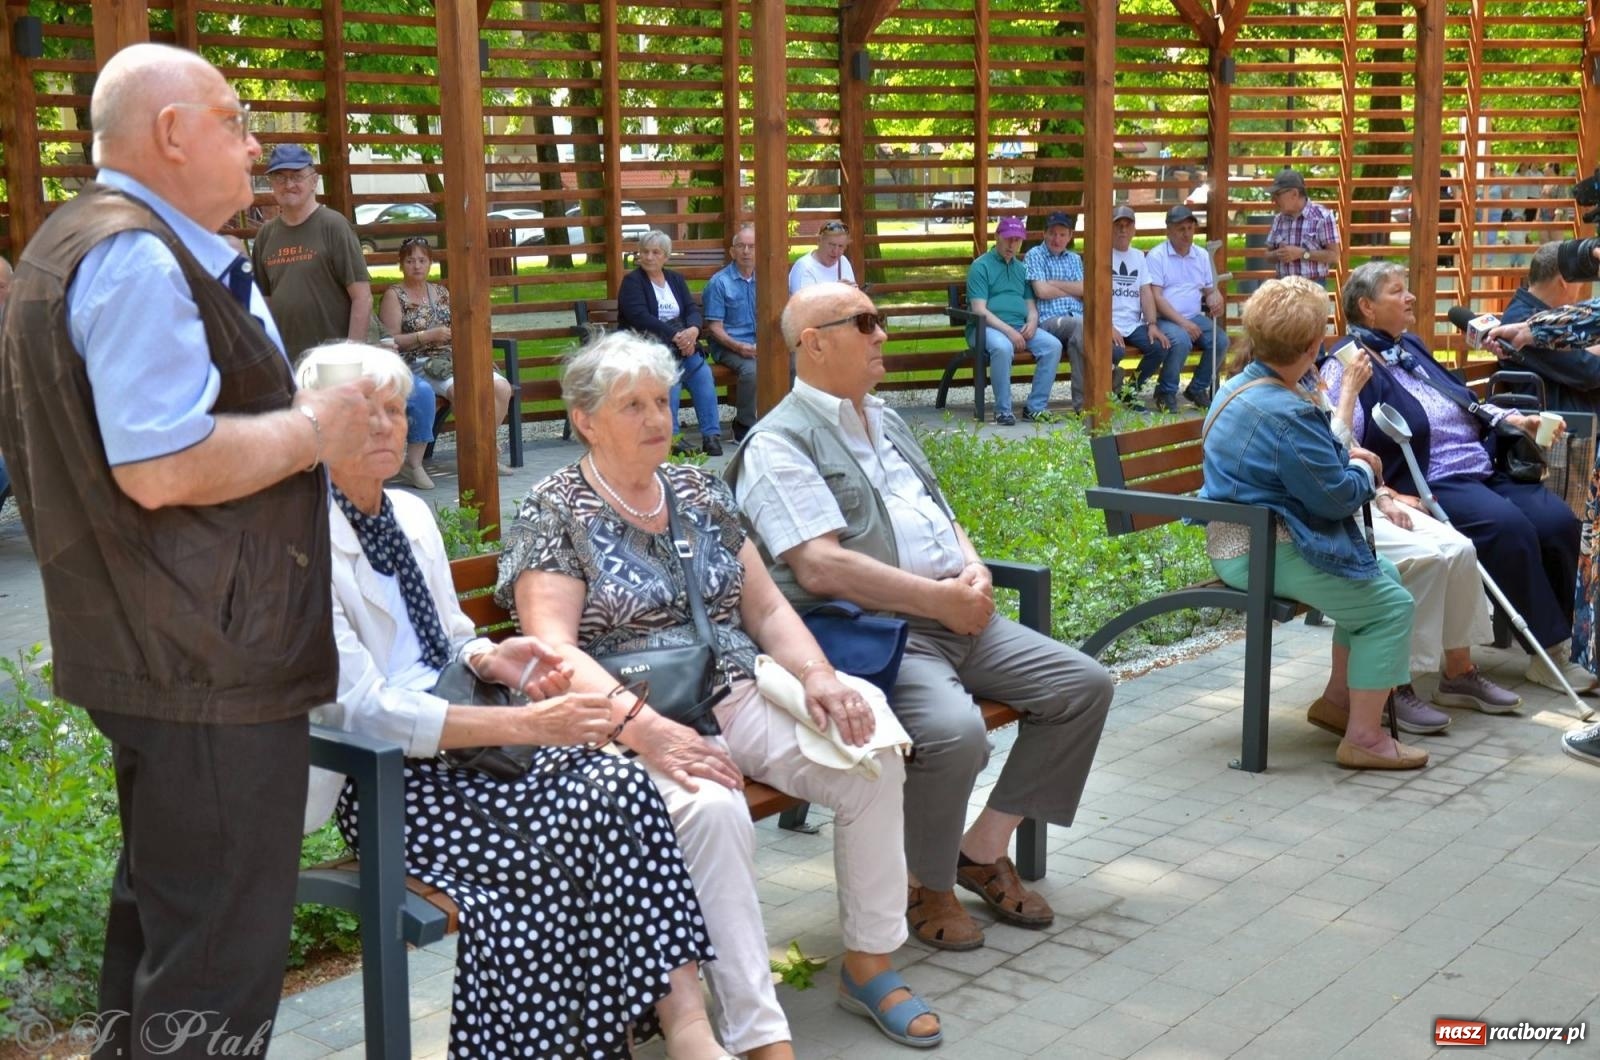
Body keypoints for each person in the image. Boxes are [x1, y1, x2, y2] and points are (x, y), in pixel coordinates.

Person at [0, 43, 381, 1053]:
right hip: (208, 661)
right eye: (233, 119)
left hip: (167, 649)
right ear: (171, 133)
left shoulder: (87, 243)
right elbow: (160, 466)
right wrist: (313, 431)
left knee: (168, 933)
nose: (254, 145)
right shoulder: (135, 257)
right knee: (216, 965)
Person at [497, 330, 941, 1056]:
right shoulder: (555, 508)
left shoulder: (699, 490)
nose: (657, 419)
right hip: (627, 716)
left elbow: (764, 608)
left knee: (868, 755)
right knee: (713, 811)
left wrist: (819, 677)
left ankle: (867, 963)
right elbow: (555, 648)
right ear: (584, 420)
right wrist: (646, 731)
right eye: (632, 405)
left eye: (663, 401)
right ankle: (758, 1033)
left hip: (732, 688)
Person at [294, 341, 729, 1060]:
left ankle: (686, 1030)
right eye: (361, 410)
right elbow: (360, 711)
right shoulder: (300, 540)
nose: (384, 426)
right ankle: (585, 1042)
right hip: (392, 779)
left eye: (397, 410)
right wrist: (527, 718)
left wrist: (492, 655)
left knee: (617, 786)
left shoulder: (406, 513)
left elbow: (449, 633)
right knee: (554, 858)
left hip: (479, 744)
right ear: (312, 423)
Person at [726, 282, 1114, 953]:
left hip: (955, 612)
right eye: (866, 322)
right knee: (955, 731)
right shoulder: (778, 444)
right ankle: (926, 885)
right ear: (813, 343)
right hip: (880, 634)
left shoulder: (887, 418)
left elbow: (941, 513)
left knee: (1082, 686)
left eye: (881, 319)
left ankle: (980, 847)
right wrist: (941, 600)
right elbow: (821, 567)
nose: (883, 335)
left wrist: (976, 569)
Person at [1323, 261, 1589, 696]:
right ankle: (1549, 652)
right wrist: (1384, 492)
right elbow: (1342, 434)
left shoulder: (1408, 346)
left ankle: (1576, 642)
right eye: (1397, 291)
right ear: (1367, 307)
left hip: (1479, 466)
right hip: (1430, 480)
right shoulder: (1348, 363)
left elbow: (1464, 401)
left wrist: (1516, 419)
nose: (1410, 298)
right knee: (1510, 530)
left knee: (1560, 522)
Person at [1202, 277, 1426, 769]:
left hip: (1252, 537)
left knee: (1382, 577)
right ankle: (1364, 740)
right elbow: (1335, 497)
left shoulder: (1244, 383)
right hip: (1260, 547)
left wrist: (1345, 460)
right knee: (1390, 607)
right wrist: (1365, 470)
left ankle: (1339, 703)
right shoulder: (1284, 408)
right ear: (1311, 346)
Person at [1315, 348, 1517, 734]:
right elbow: (1331, 458)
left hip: (1362, 497)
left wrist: (1385, 494)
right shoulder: (1314, 381)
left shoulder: (1309, 381)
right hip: (1333, 512)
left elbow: (1348, 452)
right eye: (1311, 339)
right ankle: (1395, 685)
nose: (1319, 346)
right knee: (1425, 559)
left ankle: (1459, 672)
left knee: (1459, 547)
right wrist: (1350, 393)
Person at [376, 236, 516, 484]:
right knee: (462, 391)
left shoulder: (441, 292)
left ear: (430, 263)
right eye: (410, 261)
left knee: (502, 388)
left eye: (422, 260)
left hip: (452, 357)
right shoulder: (394, 295)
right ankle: (474, 455)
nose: (416, 266)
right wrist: (425, 336)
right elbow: (390, 340)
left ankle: (484, 450)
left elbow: (459, 325)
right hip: (418, 362)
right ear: (401, 264)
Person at [250, 144, 373, 359]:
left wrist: (352, 357)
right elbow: (265, 303)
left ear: (314, 181)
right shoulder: (265, 235)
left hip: (331, 362)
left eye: (297, 176)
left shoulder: (334, 226)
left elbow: (362, 297)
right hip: (285, 361)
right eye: (280, 177)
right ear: (272, 184)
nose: (288, 184)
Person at [617, 230, 724, 456]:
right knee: (670, 377)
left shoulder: (675, 279)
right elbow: (640, 317)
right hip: (647, 347)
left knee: (702, 374)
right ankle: (671, 437)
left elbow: (691, 309)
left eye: (655, 252)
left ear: (666, 256)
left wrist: (693, 330)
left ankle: (711, 435)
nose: (648, 257)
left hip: (680, 344)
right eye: (644, 252)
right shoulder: (632, 282)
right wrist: (677, 336)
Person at [965, 216, 1063, 424]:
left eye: (1018, 240)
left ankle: (1035, 408)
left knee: (1053, 346)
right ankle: (1003, 410)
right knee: (1002, 347)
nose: (1013, 244)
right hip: (985, 329)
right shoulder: (980, 266)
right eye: (1008, 238)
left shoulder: (1021, 269)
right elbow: (979, 310)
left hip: (1019, 326)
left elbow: (1030, 306)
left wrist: (1033, 321)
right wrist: (1009, 332)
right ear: (996, 237)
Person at [1495, 241, 1600, 416]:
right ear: (1564, 282)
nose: (1582, 288)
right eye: (1581, 281)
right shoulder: (1521, 320)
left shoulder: (1536, 320)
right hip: (1565, 431)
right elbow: (1590, 370)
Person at [1144, 204, 1227, 408]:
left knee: (1221, 340)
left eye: (1190, 228)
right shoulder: (1157, 256)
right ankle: (1166, 391)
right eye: (1181, 229)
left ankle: (1197, 388)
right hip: (1165, 318)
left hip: (1193, 316)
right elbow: (1157, 297)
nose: (1187, 234)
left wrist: (1217, 299)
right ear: (1169, 230)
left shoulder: (1201, 255)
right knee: (1181, 340)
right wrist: (1184, 323)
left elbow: (1209, 290)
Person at [1105, 205, 1181, 411]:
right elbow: (1094, 297)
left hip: (1133, 323)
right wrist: (1106, 326)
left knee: (1160, 347)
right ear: (1109, 228)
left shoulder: (1138, 256)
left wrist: (1152, 324)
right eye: (1118, 225)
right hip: (1108, 323)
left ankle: (1129, 393)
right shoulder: (1101, 254)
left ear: (1133, 230)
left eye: (1127, 225)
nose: (1122, 230)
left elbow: (1146, 292)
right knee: (1116, 351)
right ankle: (1102, 398)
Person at [1024, 211, 1089, 412]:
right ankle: (1086, 403)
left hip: (1077, 321)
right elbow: (1041, 291)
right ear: (1044, 234)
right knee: (1084, 329)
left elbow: (1084, 290)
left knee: (1083, 335)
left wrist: (1053, 283)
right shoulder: (1035, 255)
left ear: (1070, 236)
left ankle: (1092, 397)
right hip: (1049, 320)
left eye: (1062, 234)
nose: (1057, 239)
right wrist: (1070, 288)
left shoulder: (1075, 259)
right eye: (1052, 233)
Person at [702, 223, 759, 441]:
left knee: (792, 361)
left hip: (758, 343)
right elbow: (714, 328)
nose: (746, 251)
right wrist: (739, 347)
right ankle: (743, 424)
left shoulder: (765, 278)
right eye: (741, 246)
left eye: (752, 246)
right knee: (752, 370)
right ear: (732, 251)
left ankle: (781, 419)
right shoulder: (719, 283)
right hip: (727, 345)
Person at [1264, 167, 1339, 287]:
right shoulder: (1279, 219)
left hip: (1313, 288)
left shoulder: (1322, 217)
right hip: (1284, 288)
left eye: (1277, 194)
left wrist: (1302, 254)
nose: (1273, 200)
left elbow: (1334, 256)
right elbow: (1267, 255)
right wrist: (1278, 254)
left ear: (1294, 194)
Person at [787, 219, 857, 292]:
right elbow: (804, 302)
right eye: (832, 244)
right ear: (819, 240)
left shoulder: (843, 262)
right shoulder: (804, 268)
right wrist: (835, 290)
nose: (835, 251)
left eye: (840, 246)